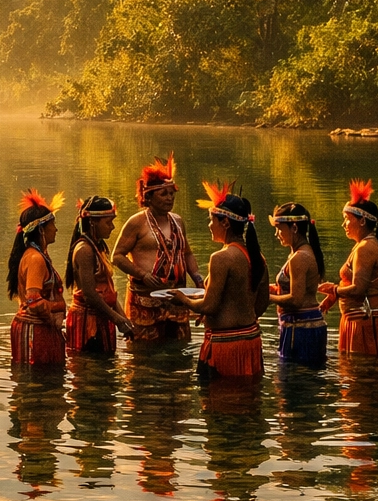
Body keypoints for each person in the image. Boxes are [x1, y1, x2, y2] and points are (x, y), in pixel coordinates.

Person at [170, 182, 270, 379]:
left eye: (212, 219)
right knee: (248, 402)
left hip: (226, 345)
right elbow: (262, 303)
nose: (209, 225)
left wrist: (183, 299)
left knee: (219, 403)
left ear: (225, 223)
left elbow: (209, 305)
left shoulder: (221, 258)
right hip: (251, 339)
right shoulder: (258, 257)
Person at [112, 153, 203, 343]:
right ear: (149, 197)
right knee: (144, 352)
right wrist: (142, 274)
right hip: (146, 298)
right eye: (164, 194)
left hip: (177, 297)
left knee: (179, 350)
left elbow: (187, 254)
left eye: (172, 193)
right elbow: (117, 256)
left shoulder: (178, 221)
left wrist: (198, 280)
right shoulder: (137, 222)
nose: (170, 198)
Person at [319, 180, 378, 357]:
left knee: (362, 377)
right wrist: (334, 297)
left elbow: (359, 288)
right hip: (363, 320)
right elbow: (354, 282)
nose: (343, 224)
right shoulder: (363, 245)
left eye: (347, 219)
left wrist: (334, 290)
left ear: (362, 221)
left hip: (367, 322)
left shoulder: (365, 248)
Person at [64, 196, 134, 356]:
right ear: (93, 223)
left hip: (102, 317)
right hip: (87, 321)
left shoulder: (98, 246)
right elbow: (90, 294)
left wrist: (123, 319)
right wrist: (116, 319)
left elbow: (107, 290)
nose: (112, 227)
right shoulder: (84, 250)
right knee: (90, 371)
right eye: (108, 222)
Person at [7, 190, 68, 366]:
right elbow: (33, 301)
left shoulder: (38, 255)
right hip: (35, 330)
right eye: (53, 224)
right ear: (41, 229)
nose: (56, 229)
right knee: (39, 383)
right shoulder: (35, 258)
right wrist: (56, 310)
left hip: (39, 328)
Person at [268, 202, 327, 366]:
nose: (276, 234)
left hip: (301, 329)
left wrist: (268, 297)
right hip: (302, 326)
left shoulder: (299, 257)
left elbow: (296, 300)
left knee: (293, 384)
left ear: (294, 228)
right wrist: (274, 289)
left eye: (279, 229)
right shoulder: (300, 253)